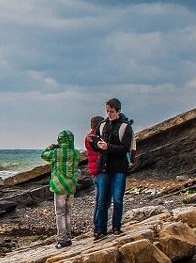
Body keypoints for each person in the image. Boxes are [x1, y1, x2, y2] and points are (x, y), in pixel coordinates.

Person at [87, 98, 134, 238]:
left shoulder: (125, 127)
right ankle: (100, 229)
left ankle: (116, 227)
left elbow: (125, 148)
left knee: (117, 199)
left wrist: (108, 147)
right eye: (107, 111)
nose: (109, 114)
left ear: (118, 111)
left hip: (119, 168)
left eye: (112, 112)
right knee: (102, 200)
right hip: (104, 167)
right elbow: (97, 145)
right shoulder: (102, 125)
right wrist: (94, 144)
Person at [41, 129, 81, 248]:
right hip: (71, 186)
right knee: (67, 212)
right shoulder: (76, 153)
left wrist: (52, 146)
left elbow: (43, 155)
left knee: (60, 213)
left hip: (59, 186)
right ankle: (68, 236)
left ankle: (62, 239)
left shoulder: (56, 152)